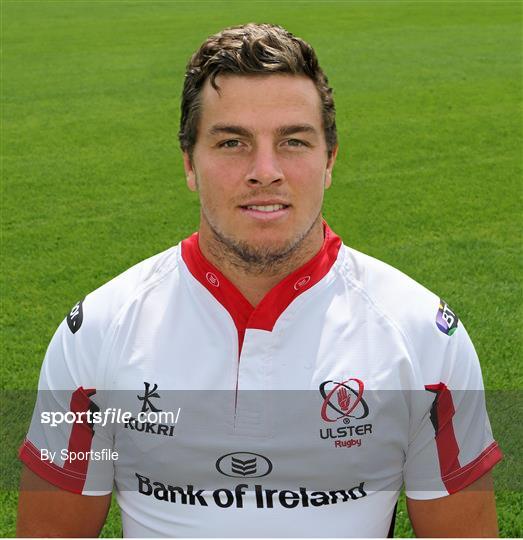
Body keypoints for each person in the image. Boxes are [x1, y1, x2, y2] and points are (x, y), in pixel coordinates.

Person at [17, 23, 502, 537]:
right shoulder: (96, 331)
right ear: (189, 162)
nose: (265, 170)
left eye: (293, 141)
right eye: (232, 143)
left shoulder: (422, 336)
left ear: (329, 159)